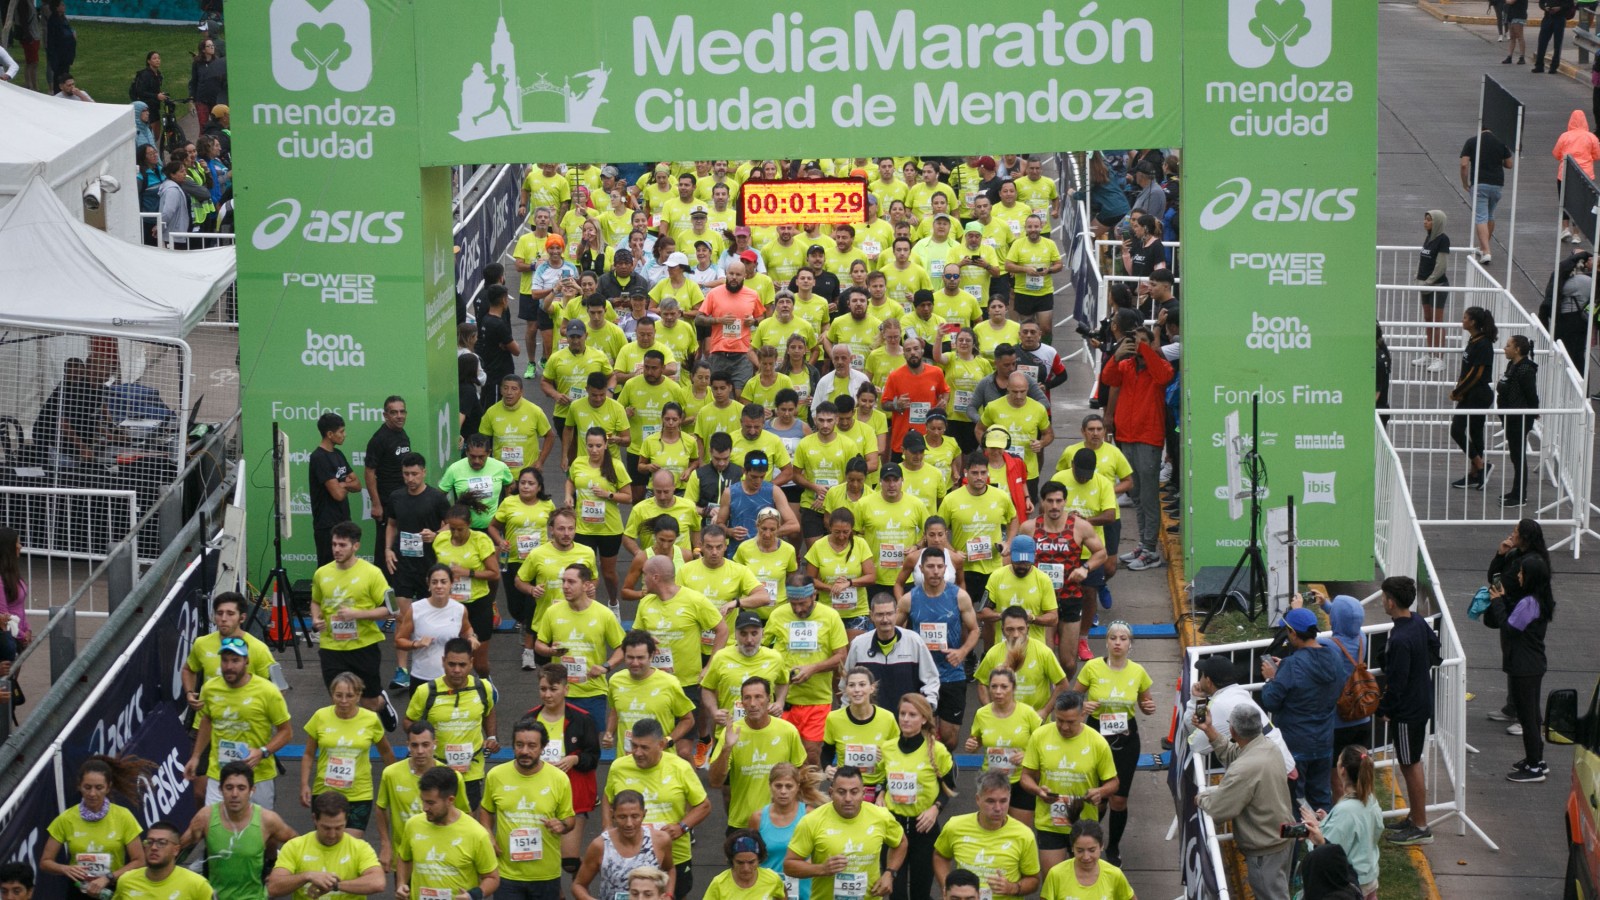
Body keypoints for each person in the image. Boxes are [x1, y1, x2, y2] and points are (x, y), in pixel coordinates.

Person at [1070, 622, 1156, 865]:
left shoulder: (1138, 671)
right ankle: (1086, 841)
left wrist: (1148, 707)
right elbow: (1073, 697)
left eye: (1123, 639)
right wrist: (1082, 705)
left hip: (1126, 738)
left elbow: (1146, 705)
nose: (1118, 643)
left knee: (1118, 799)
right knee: (1097, 798)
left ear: (1130, 644)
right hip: (1095, 735)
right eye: (1113, 638)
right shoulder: (1092, 667)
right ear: (1106, 642)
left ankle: (1113, 847)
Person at [603, 718, 713, 897]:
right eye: (634, 745)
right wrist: (607, 827)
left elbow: (704, 805)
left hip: (673, 855)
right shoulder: (619, 766)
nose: (637, 752)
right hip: (629, 854)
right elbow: (608, 798)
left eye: (644, 747)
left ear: (661, 744)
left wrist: (682, 827)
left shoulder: (680, 768)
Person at [1195, 704, 1294, 900]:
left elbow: (1218, 808)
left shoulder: (1244, 768)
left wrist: (1201, 798)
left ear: (1232, 730)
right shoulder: (1269, 747)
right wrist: (1209, 730)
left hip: (1265, 849)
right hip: (1280, 839)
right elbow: (1236, 755)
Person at [630, 557, 723, 758]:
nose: (642, 579)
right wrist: (646, 638)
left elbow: (722, 630)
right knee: (652, 748)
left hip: (686, 684)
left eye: (645, 574)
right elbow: (634, 636)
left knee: (683, 751)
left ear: (655, 577)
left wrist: (710, 666)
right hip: (654, 683)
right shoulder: (645, 603)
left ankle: (691, 777)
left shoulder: (694, 600)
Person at [476, 718, 577, 900]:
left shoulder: (559, 779)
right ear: (513, 746)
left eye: (532, 746)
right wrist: (488, 834)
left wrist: (562, 825)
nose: (524, 751)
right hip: (507, 874)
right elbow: (486, 810)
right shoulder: (496, 775)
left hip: (545, 874)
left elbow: (570, 820)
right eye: (519, 745)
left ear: (543, 747)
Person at [186, 637, 293, 808]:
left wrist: (263, 752)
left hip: (257, 775)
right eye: (225, 660)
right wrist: (196, 756)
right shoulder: (210, 688)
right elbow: (207, 720)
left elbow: (286, 732)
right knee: (216, 824)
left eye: (235, 660)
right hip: (219, 774)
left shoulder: (267, 691)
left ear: (246, 661)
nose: (229, 666)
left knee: (258, 825)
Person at [1259, 607, 1348, 814]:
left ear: (1293, 633)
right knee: (1321, 801)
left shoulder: (1292, 665)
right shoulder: (1334, 656)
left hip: (1294, 744)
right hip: (1324, 741)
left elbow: (1271, 701)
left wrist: (1272, 679)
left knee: (1294, 803)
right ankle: (1323, 834)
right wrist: (1284, 669)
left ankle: (1299, 835)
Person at [1101, 321, 1172, 571]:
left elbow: (1163, 376)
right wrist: (1115, 356)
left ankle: (1151, 549)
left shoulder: (1159, 366)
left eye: (1143, 341)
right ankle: (1144, 544)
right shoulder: (1125, 365)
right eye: (1135, 341)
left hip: (1149, 437)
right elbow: (1108, 378)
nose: (1137, 345)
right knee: (1137, 495)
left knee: (1149, 497)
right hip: (1127, 436)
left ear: (1151, 344)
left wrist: (1145, 349)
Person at [1019, 692, 1118, 872]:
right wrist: (1038, 791)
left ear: (1082, 715)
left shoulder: (1097, 742)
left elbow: (1113, 782)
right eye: (1060, 720)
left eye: (1071, 722)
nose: (1064, 727)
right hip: (1050, 822)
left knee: (1083, 879)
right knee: (1051, 879)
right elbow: (1025, 776)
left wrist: (1100, 792)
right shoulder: (1040, 735)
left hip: (1084, 825)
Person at [311, 520, 395, 721]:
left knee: (368, 702)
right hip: (332, 647)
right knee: (340, 700)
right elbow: (315, 601)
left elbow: (393, 609)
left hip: (363, 646)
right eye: (334, 544)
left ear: (355, 546)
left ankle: (381, 702)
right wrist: (315, 618)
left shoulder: (373, 573)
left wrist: (357, 614)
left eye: (342, 545)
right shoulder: (321, 573)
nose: (336, 549)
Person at [402, 638, 499, 811]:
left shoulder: (483, 688)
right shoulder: (426, 691)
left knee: (467, 818)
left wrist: (491, 736)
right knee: (435, 815)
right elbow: (409, 721)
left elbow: (488, 711)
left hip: (471, 770)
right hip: (436, 769)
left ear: (471, 663)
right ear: (443, 661)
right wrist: (421, 742)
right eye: (451, 664)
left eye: (462, 665)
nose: (456, 670)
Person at [784, 765, 908, 900]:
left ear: (863, 793)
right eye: (841, 792)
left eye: (854, 792)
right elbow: (789, 865)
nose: (848, 798)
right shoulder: (811, 821)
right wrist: (822, 869)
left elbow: (901, 842)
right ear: (831, 793)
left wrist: (890, 873)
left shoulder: (880, 816)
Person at [1026, 481, 1109, 678]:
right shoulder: (1029, 528)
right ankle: (1049, 693)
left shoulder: (1079, 526)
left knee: (1068, 662)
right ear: (1042, 502)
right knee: (1045, 657)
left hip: (1070, 596)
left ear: (1065, 501)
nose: (1054, 506)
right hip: (1041, 600)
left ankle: (1062, 690)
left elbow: (1101, 553)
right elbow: (1017, 558)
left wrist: (1085, 568)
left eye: (1058, 501)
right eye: (1050, 501)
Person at [1486, 553, 1556, 783]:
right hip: (1533, 663)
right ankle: (1536, 759)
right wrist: (1505, 599)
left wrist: (1497, 602)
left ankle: (1534, 767)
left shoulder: (1529, 603)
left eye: (1521, 572)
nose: (1518, 575)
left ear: (1530, 577)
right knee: (1532, 715)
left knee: (1528, 718)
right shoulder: (1539, 599)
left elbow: (1509, 629)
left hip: (1523, 666)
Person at [180, 763, 296, 900]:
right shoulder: (206, 817)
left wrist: (281, 871)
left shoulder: (267, 820)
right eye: (229, 788)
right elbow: (176, 849)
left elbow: (298, 844)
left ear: (252, 790)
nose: (235, 794)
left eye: (241, 788)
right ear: (221, 790)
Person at [526, 662, 604, 865]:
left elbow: (593, 757)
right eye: (543, 689)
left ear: (566, 689)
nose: (547, 695)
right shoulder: (530, 719)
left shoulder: (583, 719)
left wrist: (575, 759)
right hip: (538, 794)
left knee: (569, 860)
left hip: (572, 794)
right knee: (540, 858)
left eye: (553, 689)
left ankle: (581, 879)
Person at [900, 547, 979, 747]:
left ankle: (945, 762)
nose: (935, 571)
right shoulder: (909, 599)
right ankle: (929, 765)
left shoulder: (959, 596)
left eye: (939, 566)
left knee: (950, 737)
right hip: (921, 675)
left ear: (945, 568)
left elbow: (974, 630)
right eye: (930, 567)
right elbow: (894, 632)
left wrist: (962, 652)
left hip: (952, 673)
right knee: (923, 733)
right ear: (921, 569)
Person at [300, 673, 394, 836]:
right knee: (329, 839)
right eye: (339, 695)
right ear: (332, 695)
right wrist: (304, 784)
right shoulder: (320, 716)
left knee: (351, 843)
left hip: (359, 793)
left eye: (349, 696)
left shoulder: (370, 719)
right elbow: (308, 754)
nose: (343, 701)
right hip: (325, 792)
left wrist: (394, 781)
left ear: (358, 696)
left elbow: (386, 752)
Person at [710, 677, 808, 830]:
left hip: (781, 822)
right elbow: (715, 782)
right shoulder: (731, 732)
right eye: (747, 698)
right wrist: (727, 748)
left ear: (769, 699)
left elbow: (802, 774)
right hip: (742, 823)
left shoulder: (787, 731)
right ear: (742, 702)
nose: (753, 703)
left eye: (758, 697)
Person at [43, 756, 148, 899]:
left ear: (108, 787)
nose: (92, 794)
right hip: (80, 889)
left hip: (112, 890)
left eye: (99, 788)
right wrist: (64, 868)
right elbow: (45, 862)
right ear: (79, 786)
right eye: (87, 787)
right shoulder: (66, 819)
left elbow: (139, 861)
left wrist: (108, 877)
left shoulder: (123, 816)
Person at [373, 723, 470, 873]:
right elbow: (381, 807)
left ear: (435, 744)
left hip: (441, 858)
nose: (420, 751)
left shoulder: (453, 777)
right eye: (414, 745)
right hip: (405, 858)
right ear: (408, 745)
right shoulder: (391, 774)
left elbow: (465, 815)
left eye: (425, 745)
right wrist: (386, 845)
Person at [533, 565, 624, 723]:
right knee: (561, 737)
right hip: (559, 691)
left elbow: (622, 647)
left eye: (571, 582)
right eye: (563, 581)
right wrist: (550, 651)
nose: (565, 586)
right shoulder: (552, 612)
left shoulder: (604, 614)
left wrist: (606, 667)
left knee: (592, 738)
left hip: (593, 692)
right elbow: (539, 644)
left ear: (586, 585)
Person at [930, 770, 1040, 900]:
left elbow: (1033, 880)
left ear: (1009, 798)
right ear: (978, 799)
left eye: (1003, 801)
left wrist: (1013, 888)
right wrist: (947, 887)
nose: (998, 808)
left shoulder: (1024, 835)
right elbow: (940, 856)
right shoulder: (955, 826)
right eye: (990, 801)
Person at [394, 767, 501, 900]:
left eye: (431, 803)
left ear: (450, 800)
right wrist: (401, 883)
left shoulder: (476, 833)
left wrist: (472, 895)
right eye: (423, 800)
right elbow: (404, 858)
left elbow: (492, 878)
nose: (424, 808)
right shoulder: (413, 825)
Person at [488, 468, 556, 670]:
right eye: (523, 483)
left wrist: (551, 542)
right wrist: (500, 541)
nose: (526, 487)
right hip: (513, 560)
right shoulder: (509, 502)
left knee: (533, 604)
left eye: (531, 483)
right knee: (516, 607)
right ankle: (525, 624)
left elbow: (554, 527)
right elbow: (493, 526)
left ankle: (529, 650)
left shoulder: (547, 504)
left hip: (539, 562)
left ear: (539, 487)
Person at [1486, 519, 1549, 724]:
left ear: (1525, 537)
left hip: (1522, 617)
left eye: (1515, 531)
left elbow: (1507, 583)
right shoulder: (1514, 554)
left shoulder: (1534, 563)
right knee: (1512, 661)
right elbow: (1494, 577)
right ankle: (1513, 707)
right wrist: (1500, 555)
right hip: (1509, 611)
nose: (1511, 534)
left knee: (1525, 667)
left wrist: (1499, 598)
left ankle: (1529, 718)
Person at [1299, 745, 1384, 899]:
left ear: (1342, 770)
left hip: (1352, 881)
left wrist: (1312, 833)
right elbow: (1370, 829)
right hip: (1370, 874)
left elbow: (1328, 853)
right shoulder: (1370, 799)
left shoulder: (1345, 810)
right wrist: (1328, 821)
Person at [266, 793, 385, 900]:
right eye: (326, 828)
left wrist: (335, 885)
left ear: (346, 820)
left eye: (338, 828)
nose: (332, 835)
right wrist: (307, 876)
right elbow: (273, 887)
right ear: (315, 819)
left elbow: (378, 882)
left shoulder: (360, 848)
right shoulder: (295, 846)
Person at [964, 668, 1042, 824]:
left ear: (1013, 688)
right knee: (992, 829)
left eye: (1004, 687)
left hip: (1020, 781)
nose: (998, 691)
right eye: (994, 686)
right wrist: (972, 746)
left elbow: (1044, 744)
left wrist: (1027, 756)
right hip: (991, 781)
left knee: (1019, 831)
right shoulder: (982, 714)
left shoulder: (1028, 713)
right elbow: (977, 741)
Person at [431, 506, 500, 677]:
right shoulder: (440, 540)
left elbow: (494, 573)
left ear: (469, 524)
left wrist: (468, 572)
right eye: (452, 528)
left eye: (460, 529)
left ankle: (486, 683)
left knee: (479, 662)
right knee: (450, 658)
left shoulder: (480, 540)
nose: (456, 533)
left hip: (477, 605)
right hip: (449, 606)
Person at [602, 629, 695, 755]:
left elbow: (688, 720)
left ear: (651, 656)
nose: (635, 663)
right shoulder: (616, 681)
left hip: (660, 761)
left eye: (640, 658)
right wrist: (609, 733)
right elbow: (615, 710)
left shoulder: (669, 683)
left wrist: (668, 741)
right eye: (630, 657)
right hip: (626, 760)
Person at [572, 791, 675, 900]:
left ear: (644, 814)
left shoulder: (660, 840)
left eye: (635, 816)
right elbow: (578, 885)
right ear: (612, 814)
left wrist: (668, 895)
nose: (629, 823)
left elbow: (670, 869)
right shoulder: (601, 845)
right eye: (622, 817)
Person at [751, 764, 827, 900]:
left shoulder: (810, 815)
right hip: (769, 893)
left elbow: (822, 852)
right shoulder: (758, 818)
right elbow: (751, 858)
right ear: (770, 786)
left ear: (797, 786)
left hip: (804, 893)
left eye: (789, 786)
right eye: (778, 786)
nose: (783, 791)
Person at [977, 605, 1069, 715]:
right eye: (1010, 629)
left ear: (1027, 629)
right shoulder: (993, 653)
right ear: (1002, 630)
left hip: (1035, 721)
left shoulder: (1043, 652)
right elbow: (982, 683)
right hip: (1004, 720)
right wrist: (990, 711)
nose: (1016, 635)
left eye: (1021, 629)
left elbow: (1062, 684)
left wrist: (1045, 711)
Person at [1449, 306, 1498, 490]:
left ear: (1473, 322)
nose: (1462, 320)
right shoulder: (1473, 340)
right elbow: (1466, 370)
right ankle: (1476, 473)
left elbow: (1477, 374)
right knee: (1472, 432)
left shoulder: (1483, 344)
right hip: (1470, 393)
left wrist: (1458, 391)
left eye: (1465, 318)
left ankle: (1480, 466)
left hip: (1478, 394)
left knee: (1458, 430)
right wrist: (1460, 388)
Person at [309, 412, 361, 567]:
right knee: (329, 569)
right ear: (330, 434)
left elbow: (358, 485)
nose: (344, 435)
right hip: (327, 526)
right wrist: (345, 484)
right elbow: (337, 494)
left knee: (346, 567)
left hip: (344, 521)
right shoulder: (319, 457)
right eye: (341, 432)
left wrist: (342, 484)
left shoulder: (339, 454)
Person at [110, 821, 211, 900]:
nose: (154, 847)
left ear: (176, 850)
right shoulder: (126, 881)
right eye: (149, 842)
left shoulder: (197, 885)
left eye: (162, 843)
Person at [1036, 820, 1134, 900]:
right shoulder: (1056, 874)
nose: (1086, 857)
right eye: (1080, 850)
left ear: (1101, 846)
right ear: (1072, 848)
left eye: (1092, 850)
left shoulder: (1114, 875)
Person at [1460, 128, 1514, 264]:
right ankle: (1484, 247)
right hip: (1497, 184)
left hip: (1480, 184)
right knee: (1490, 215)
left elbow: (1464, 165)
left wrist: (1465, 183)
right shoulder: (1501, 142)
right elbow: (1509, 164)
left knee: (1480, 217)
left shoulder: (1472, 141)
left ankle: (1486, 251)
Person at [1532, 0, 1576, 72]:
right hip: (1547, 17)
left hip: (1560, 18)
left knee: (1557, 44)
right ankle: (1539, 65)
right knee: (1542, 42)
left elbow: (1570, 5)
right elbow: (1541, 3)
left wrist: (1560, 8)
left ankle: (1554, 66)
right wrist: (1545, 8)